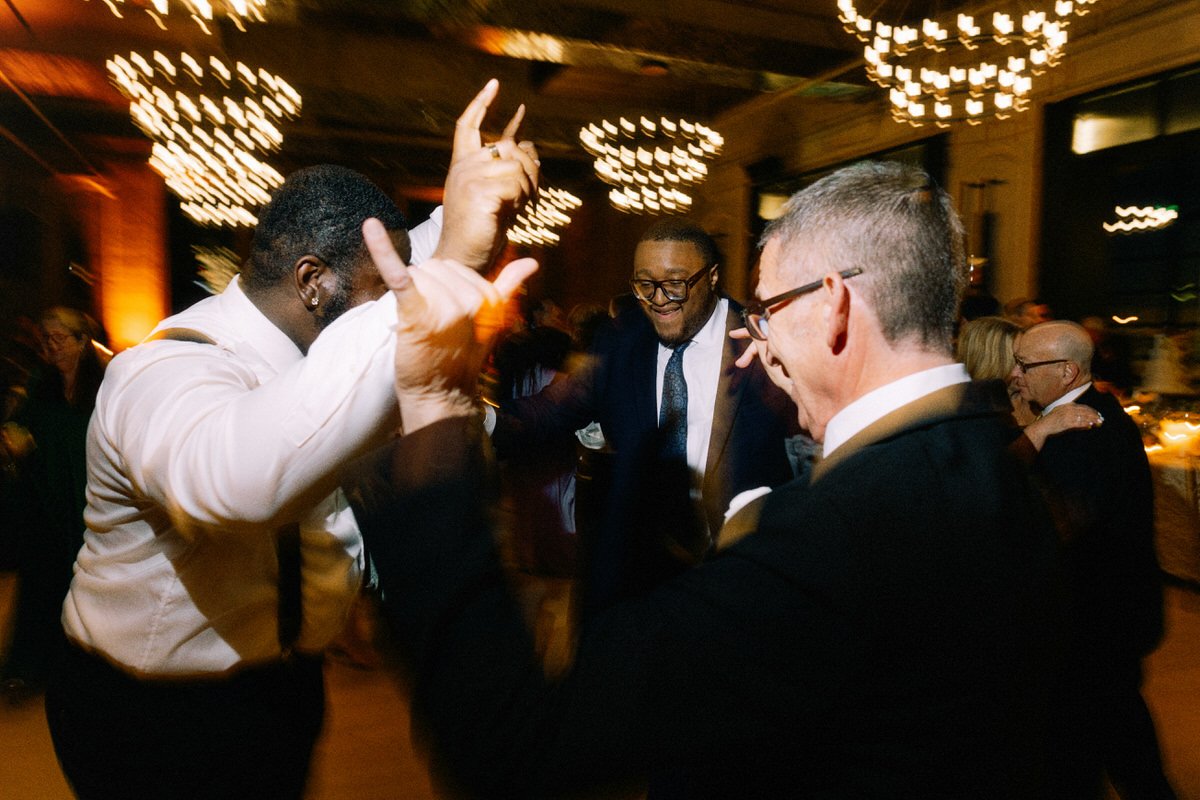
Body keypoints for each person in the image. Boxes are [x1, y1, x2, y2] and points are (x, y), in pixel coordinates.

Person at [359, 160, 1067, 798]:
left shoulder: (826, 541)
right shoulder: (996, 465)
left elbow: (515, 743)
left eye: (765, 311)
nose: (752, 340)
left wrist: (434, 405)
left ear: (834, 305)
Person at [44, 80, 537, 800]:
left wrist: (474, 201)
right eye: (382, 297)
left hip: (282, 684)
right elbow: (244, 484)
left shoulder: (326, 307)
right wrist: (449, 263)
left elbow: (386, 271)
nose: (391, 314)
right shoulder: (162, 371)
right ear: (313, 283)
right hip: (151, 711)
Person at [491, 218, 795, 615]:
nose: (659, 298)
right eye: (644, 284)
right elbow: (548, 411)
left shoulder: (763, 340)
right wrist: (467, 414)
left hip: (743, 579)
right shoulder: (622, 340)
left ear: (713, 276)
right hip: (643, 577)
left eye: (675, 282)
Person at [1010, 320, 1176, 800]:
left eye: (1025, 365)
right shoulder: (1087, 411)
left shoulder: (1083, 428)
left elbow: (1066, 524)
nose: (1015, 375)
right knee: (1112, 745)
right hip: (1104, 620)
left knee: (1102, 748)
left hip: (1092, 622)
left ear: (1065, 371)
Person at [0, 307, 107, 703]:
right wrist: (14, 439)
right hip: (47, 501)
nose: (50, 347)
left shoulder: (103, 385)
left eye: (59, 338)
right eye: (46, 339)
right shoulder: (40, 383)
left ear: (82, 342)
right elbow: (20, 426)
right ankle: (30, 668)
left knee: (86, 584)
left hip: (90, 499)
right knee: (42, 582)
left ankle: (84, 669)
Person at [956, 314, 1101, 451]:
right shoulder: (968, 417)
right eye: (1018, 361)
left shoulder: (1039, 398)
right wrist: (1040, 429)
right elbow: (990, 473)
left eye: (1025, 362)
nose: (1020, 371)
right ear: (990, 363)